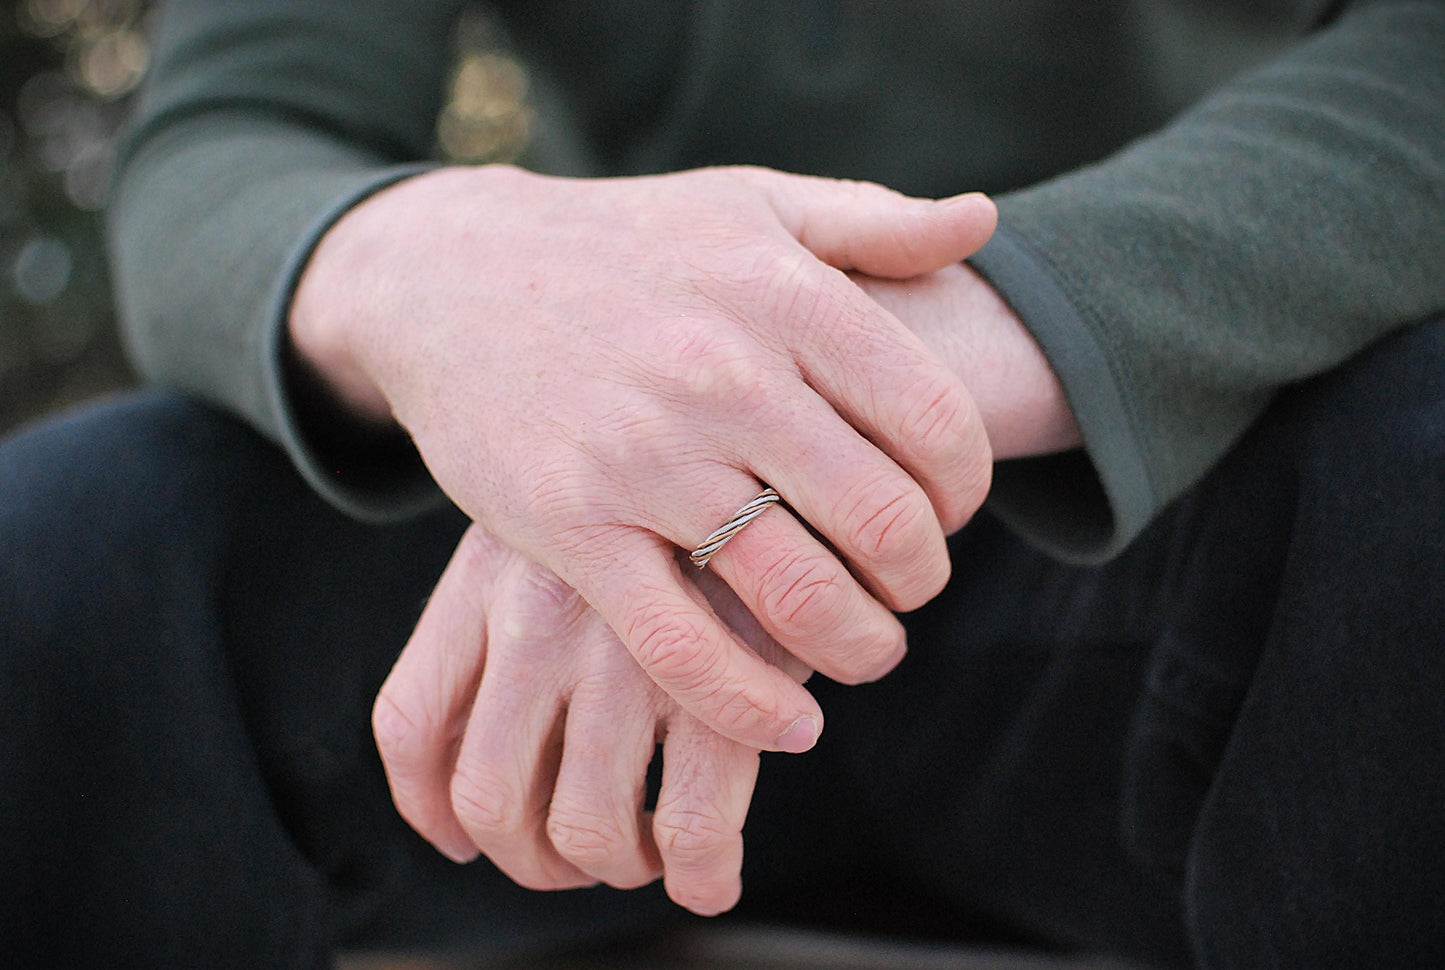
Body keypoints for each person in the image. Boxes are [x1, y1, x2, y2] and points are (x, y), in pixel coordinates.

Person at [2, 0, 1442, 967]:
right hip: (555, 653)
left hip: (1193, 462)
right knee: (71, 549)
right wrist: (459, 288)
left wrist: (824, 387)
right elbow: (225, 128)